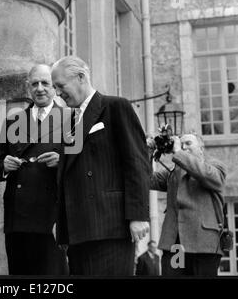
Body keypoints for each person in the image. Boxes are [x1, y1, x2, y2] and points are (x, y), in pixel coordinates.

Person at [51, 56, 150, 276]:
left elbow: (137, 163)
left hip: (110, 228)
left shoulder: (115, 107)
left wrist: (138, 215)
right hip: (78, 234)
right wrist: (63, 225)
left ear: (81, 77)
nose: (57, 93)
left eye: (60, 86)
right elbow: (67, 178)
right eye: (55, 88)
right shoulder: (69, 122)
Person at [0, 64, 68, 275]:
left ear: (55, 88)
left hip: (50, 218)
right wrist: (4, 166)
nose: (40, 88)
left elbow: (81, 168)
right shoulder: (13, 121)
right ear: (28, 88)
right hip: (18, 218)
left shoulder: (70, 120)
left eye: (45, 83)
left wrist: (60, 163)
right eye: (35, 84)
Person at [148, 133, 227, 276]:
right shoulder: (174, 172)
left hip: (204, 245)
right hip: (175, 246)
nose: (183, 147)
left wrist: (178, 152)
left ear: (201, 148)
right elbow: (147, 179)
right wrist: (147, 150)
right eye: (181, 143)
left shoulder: (215, 166)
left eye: (188, 143)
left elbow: (208, 175)